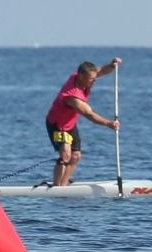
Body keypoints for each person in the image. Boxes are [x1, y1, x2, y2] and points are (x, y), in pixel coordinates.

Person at [44, 58, 122, 186]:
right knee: (66, 155)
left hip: (70, 124)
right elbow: (89, 114)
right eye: (91, 79)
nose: (94, 80)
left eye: (94, 77)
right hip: (57, 124)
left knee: (76, 156)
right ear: (80, 76)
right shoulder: (72, 95)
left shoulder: (84, 76)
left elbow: (102, 70)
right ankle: (56, 187)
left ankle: (63, 185)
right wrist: (108, 123)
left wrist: (113, 65)